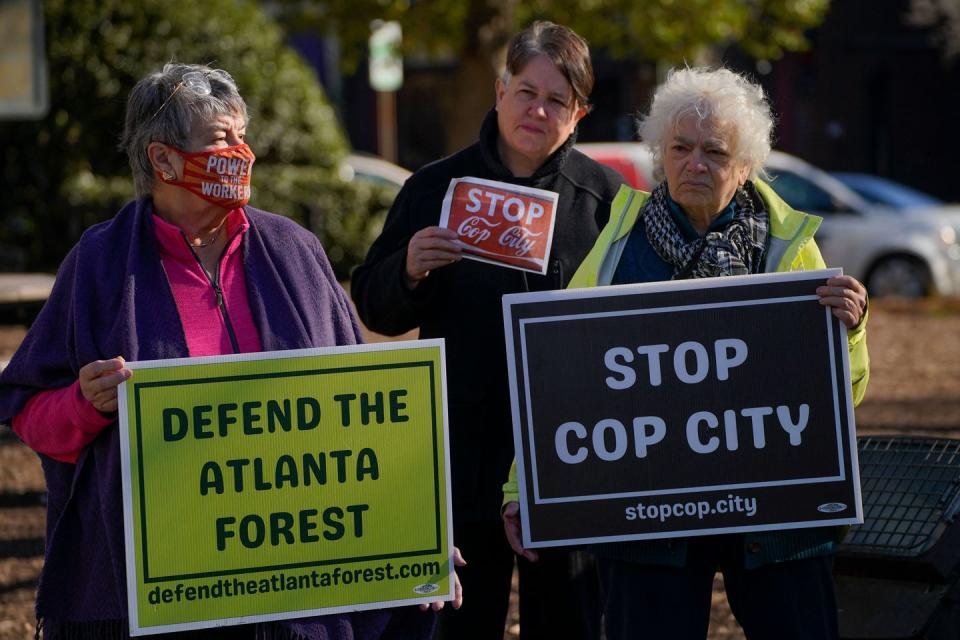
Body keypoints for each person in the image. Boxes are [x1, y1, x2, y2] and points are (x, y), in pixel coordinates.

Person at [0, 63, 461, 640]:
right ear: (162, 160)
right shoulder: (98, 264)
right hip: (160, 592)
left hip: (297, 587)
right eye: (221, 140)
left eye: (242, 136)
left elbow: (364, 410)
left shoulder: (295, 250)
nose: (240, 153)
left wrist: (419, 531)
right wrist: (83, 404)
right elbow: (30, 415)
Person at [502, 66, 870, 639]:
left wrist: (849, 329)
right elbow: (559, 376)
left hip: (775, 515)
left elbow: (842, 389)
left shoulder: (787, 245)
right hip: (650, 516)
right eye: (680, 147)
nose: (694, 163)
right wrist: (523, 488)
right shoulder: (621, 247)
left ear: (745, 166)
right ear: (659, 153)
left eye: (714, 151)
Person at [351, 21, 624, 640]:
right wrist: (410, 270)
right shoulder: (432, 188)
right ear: (499, 90)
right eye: (527, 91)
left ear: (579, 114)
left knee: (571, 624)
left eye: (558, 100)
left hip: (571, 459)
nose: (538, 109)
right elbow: (373, 308)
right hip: (461, 461)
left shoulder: (606, 199)